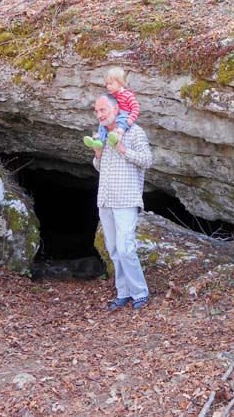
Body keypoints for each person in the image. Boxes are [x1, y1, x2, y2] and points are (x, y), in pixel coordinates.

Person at [91, 93, 152, 311]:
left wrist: (123, 150)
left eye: (103, 110)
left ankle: (140, 293)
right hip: (106, 200)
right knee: (114, 250)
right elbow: (99, 167)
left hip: (126, 199)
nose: (99, 115)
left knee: (126, 249)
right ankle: (123, 293)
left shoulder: (134, 132)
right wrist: (98, 154)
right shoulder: (101, 135)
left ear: (116, 109)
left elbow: (147, 160)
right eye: (96, 111)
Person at [84, 67, 140, 150]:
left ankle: (118, 137)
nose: (108, 87)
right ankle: (98, 140)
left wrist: (131, 118)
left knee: (122, 120)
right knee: (102, 123)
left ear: (120, 83)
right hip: (116, 115)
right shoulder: (112, 95)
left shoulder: (128, 95)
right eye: (107, 84)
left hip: (125, 114)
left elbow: (136, 108)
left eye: (110, 84)